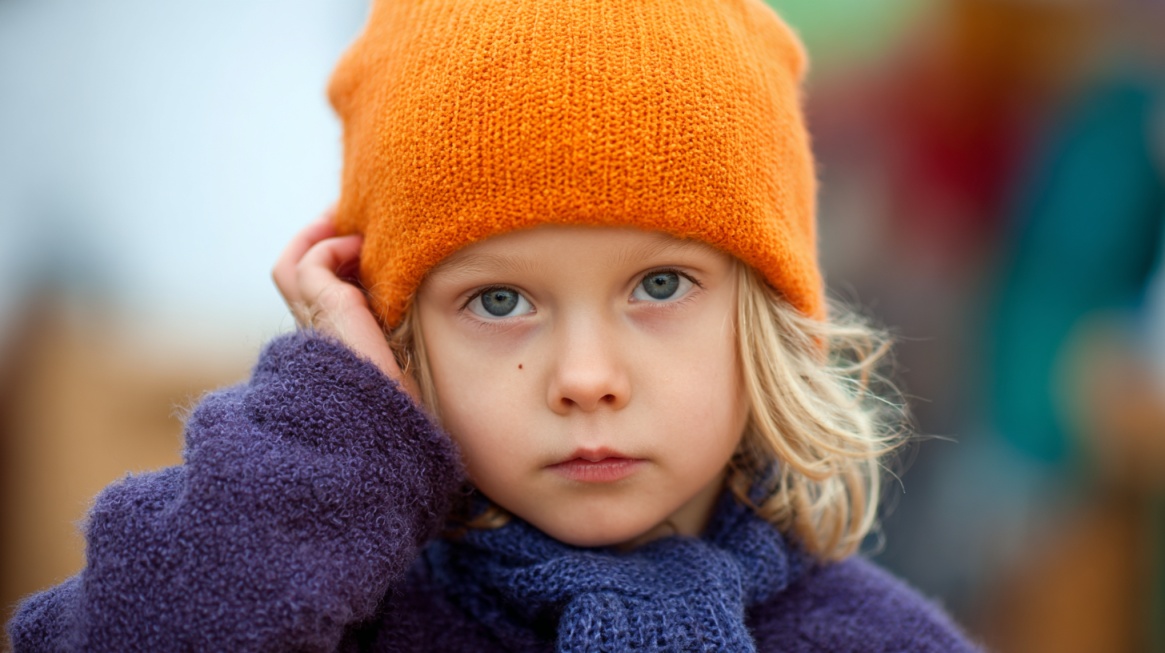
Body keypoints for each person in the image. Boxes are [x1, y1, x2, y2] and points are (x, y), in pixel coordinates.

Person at [7, 1, 980, 650]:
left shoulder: (875, 638)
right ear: (398, 336)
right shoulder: (322, 605)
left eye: (660, 284)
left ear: (767, 314)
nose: (586, 374)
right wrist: (333, 425)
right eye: (499, 300)